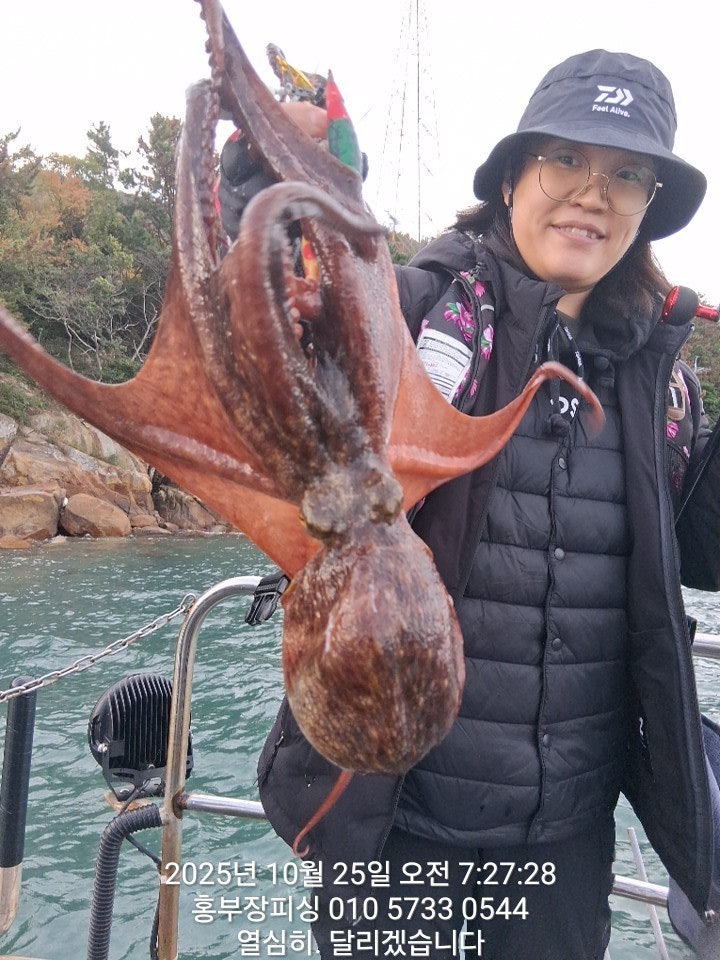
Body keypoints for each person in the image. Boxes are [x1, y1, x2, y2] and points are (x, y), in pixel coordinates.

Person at [220, 49, 720, 959]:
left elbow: (708, 554)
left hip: (566, 840)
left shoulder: (663, 385)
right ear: (511, 177)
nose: (592, 194)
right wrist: (266, 186)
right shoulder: (411, 314)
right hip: (394, 819)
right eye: (565, 159)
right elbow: (270, 363)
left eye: (626, 176)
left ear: (648, 207)